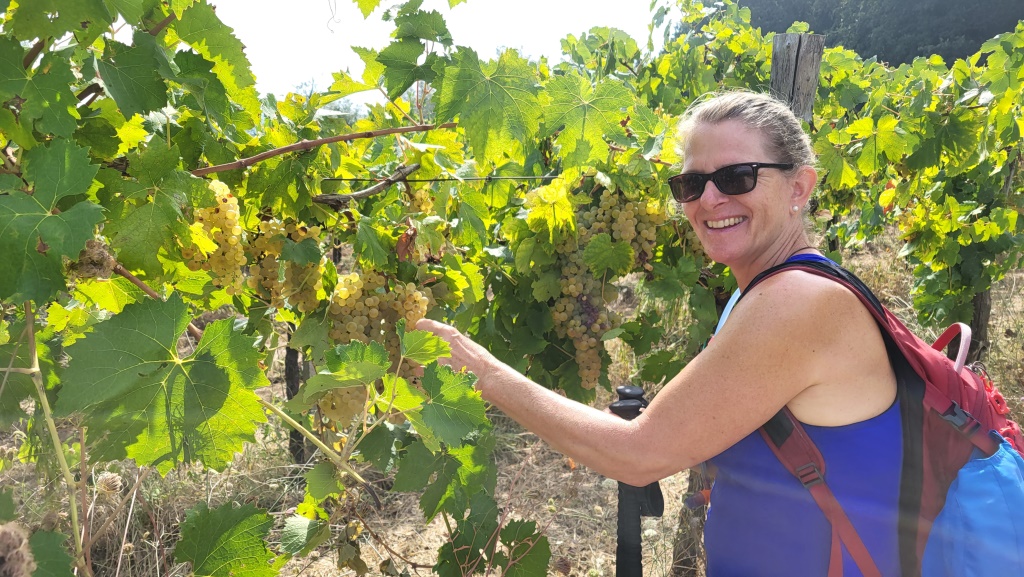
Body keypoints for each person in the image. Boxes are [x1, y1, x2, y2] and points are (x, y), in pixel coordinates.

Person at [416, 91, 902, 576]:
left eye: (737, 176)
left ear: (799, 187)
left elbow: (638, 454)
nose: (710, 199)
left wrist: (482, 372)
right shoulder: (764, 291)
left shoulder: (795, 303)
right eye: (691, 184)